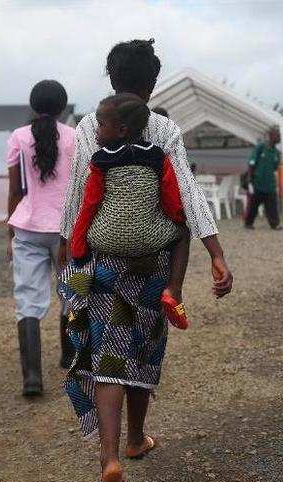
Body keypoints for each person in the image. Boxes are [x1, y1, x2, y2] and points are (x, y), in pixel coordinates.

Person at [58, 38, 233, 482]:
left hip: (101, 264)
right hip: (153, 264)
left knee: (109, 356)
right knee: (145, 347)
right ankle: (137, 437)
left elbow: (77, 197)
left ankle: (109, 457)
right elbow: (188, 199)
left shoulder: (90, 127)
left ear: (110, 81)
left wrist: (66, 255)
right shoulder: (163, 129)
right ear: (152, 83)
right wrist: (215, 252)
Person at [68, 93, 190, 330]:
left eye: (101, 125)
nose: (96, 132)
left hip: (106, 241)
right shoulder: (157, 156)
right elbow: (171, 198)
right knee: (184, 232)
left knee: (87, 230)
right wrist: (174, 218)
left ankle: (79, 305)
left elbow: (89, 205)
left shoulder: (101, 160)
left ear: (122, 130)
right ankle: (174, 290)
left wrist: (79, 249)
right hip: (150, 240)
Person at [6, 80, 75, 396]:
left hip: (28, 227)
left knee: (28, 300)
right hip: (66, 230)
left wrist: (10, 234)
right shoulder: (75, 138)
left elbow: (16, 189)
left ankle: (32, 377)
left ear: (33, 106)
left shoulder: (18, 137)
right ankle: (69, 356)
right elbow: (80, 189)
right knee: (71, 291)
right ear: (63, 107)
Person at [244, 128, 283, 231]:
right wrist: (249, 177)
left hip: (270, 184)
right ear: (270, 136)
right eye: (277, 136)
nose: (279, 138)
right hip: (257, 182)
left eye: (279, 136)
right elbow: (251, 163)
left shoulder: (276, 153)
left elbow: (275, 167)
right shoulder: (260, 148)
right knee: (253, 205)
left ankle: (275, 224)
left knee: (272, 206)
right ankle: (248, 223)